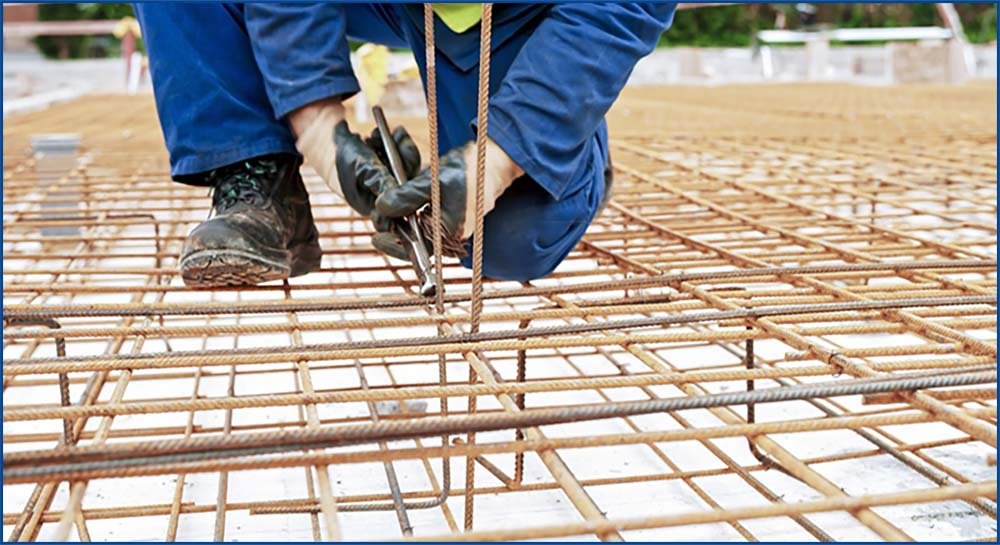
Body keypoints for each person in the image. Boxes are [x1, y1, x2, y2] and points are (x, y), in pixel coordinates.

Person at [134, 3, 677, 287]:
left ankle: (565, 147)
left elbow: (619, 7)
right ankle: (257, 181)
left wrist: (504, 160)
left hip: (515, 8)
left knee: (505, 243)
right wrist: (318, 129)